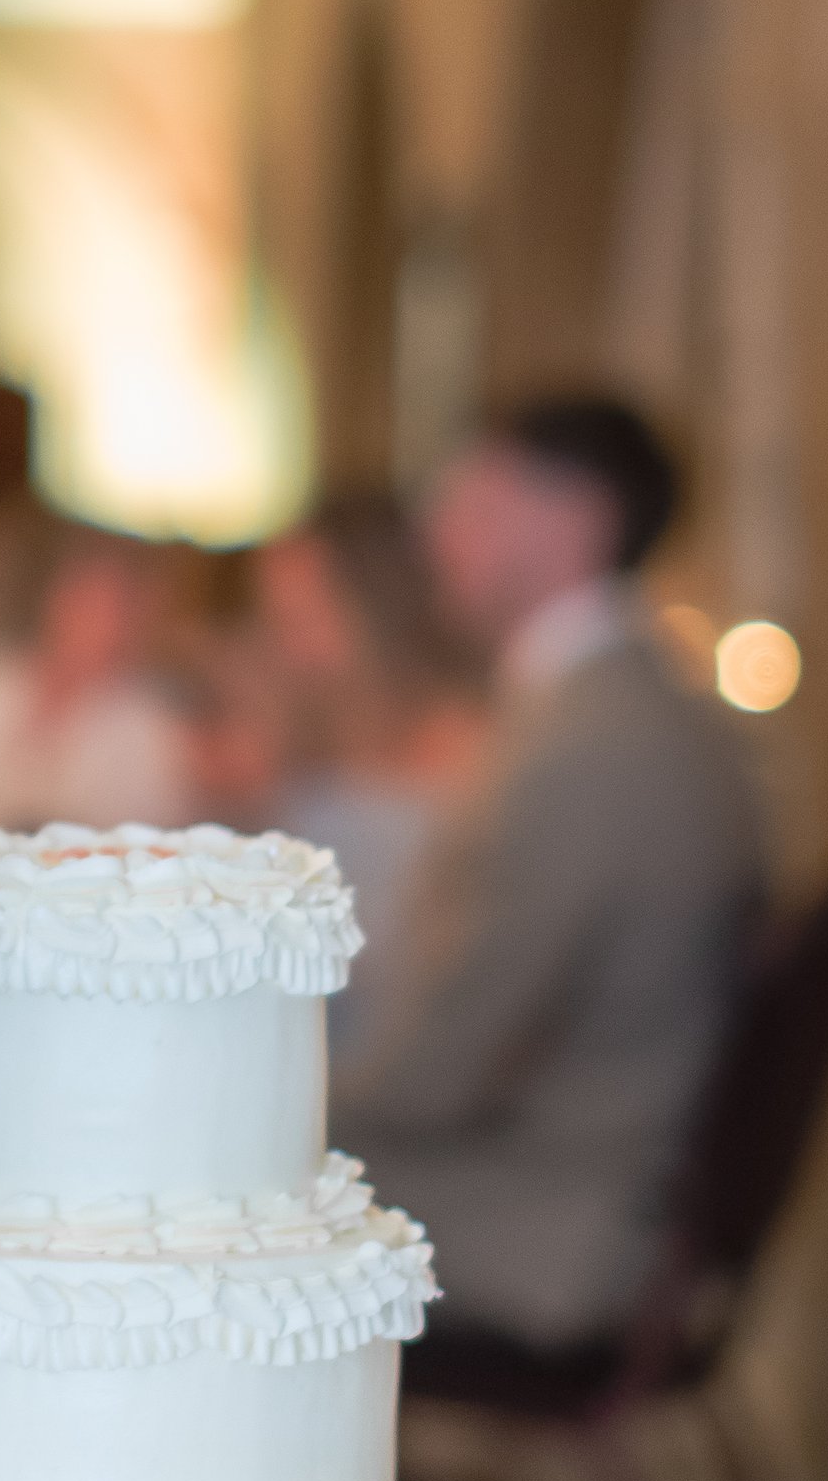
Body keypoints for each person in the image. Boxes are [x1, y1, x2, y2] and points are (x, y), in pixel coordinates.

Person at [334, 396, 763, 1354]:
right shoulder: (615, 702)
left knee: (185, 1201)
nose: (435, 534)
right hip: (576, 1179)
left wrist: (277, 1103)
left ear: (574, 520)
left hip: (547, 1223)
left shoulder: (587, 745)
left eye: (470, 503)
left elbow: (451, 1056)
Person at [256, 492, 487, 1074]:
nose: (289, 645)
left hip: (415, 1059)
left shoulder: (471, 750)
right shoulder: (291, 733)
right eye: (277, 618)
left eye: (308, 617)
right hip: (306, 1041)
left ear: (380, 607)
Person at [0, 525, 196, 835]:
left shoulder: (158, 726)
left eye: (132, 607)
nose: (117, 625)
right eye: (98, 601)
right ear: (50, 597)